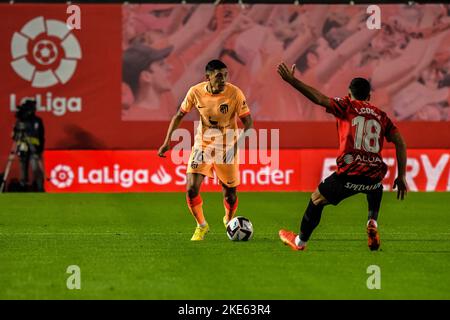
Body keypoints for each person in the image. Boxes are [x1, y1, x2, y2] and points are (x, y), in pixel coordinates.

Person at [277, 62, 408, 251]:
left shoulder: (346, 106)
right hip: (373, 175)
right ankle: (372, 221)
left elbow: (319, 99)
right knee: (375, 185)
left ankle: (300, 242)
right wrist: (401, 176)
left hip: (349, 175)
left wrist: (292, 81)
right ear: (369, 97)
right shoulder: (381, 115)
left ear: (349, 94)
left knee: (316, 200)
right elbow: (400, 143)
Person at [158, 59, 253, 241]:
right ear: (207, 77)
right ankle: (201, 226)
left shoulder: (235, 93)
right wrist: (167, 141)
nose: (223, 79)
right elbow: (179, 115)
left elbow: (249, 123)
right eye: (218, 76)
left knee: (230, 195)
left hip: (227, 147)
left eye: (225, 75)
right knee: (191, 189)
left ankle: (229, 220)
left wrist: (236, 146)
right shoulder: (195, 91)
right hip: (203, 145)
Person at [13, 99, 45, 192]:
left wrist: (40, 148)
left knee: (36, 169)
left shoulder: (37, 121)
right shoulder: (20, 121)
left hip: (34, 149)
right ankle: (23, 186)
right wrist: (18, 134)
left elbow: (41, 135)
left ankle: (39, 187)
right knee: (23, 168)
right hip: (23, 148)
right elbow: (15, 135)